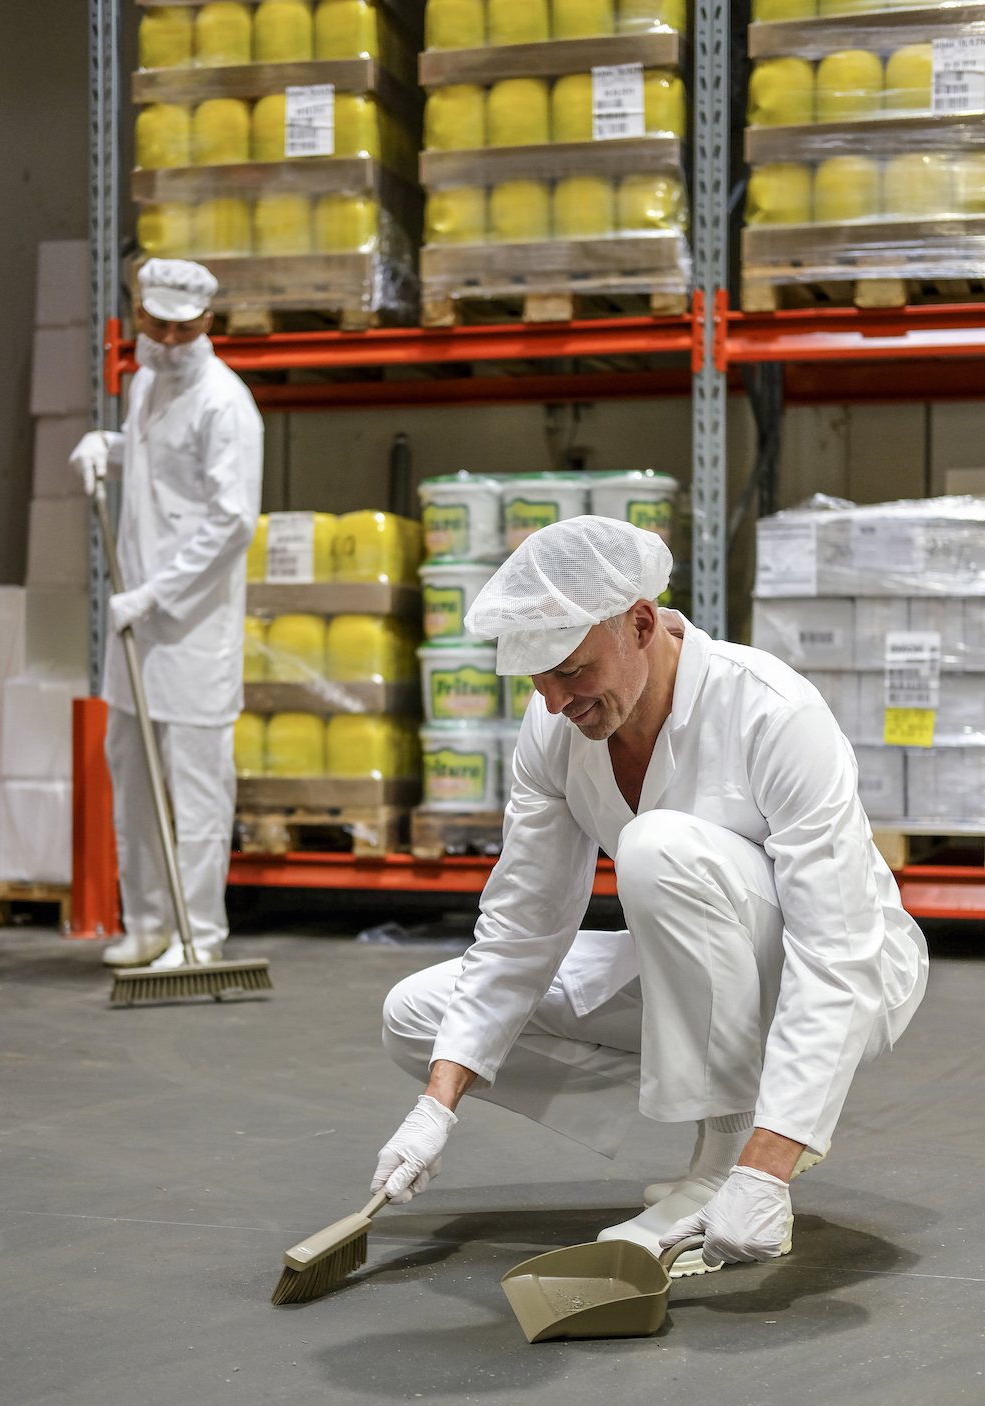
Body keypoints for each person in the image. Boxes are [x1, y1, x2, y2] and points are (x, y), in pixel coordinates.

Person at [372, 516, 928, 1275]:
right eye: (536, 680)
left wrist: (766, 1164)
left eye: (570, 670)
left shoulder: (770, 710)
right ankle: (717, 1110)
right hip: (705, 970)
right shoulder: (556, 726)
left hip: (850, 970)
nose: (556, 700)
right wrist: (436, 1109)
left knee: (659, 847)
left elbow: (836, 948)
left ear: (640, 622)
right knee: (420, 1017)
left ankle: (733, 1155)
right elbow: (522, 925)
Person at [70, 258, 263, 970]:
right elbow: (160, 472)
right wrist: (109, 451)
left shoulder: (225, 403)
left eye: (183, 330)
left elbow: (231, 521)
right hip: (136, 624)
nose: (168, 340)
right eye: (156, 325)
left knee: (197, 785)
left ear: (207, 324)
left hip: (189, 626)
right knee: (132, 769)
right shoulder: (147, 383)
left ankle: (199, 936)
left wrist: (155, 593)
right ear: (141, 315)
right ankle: (149, 921)